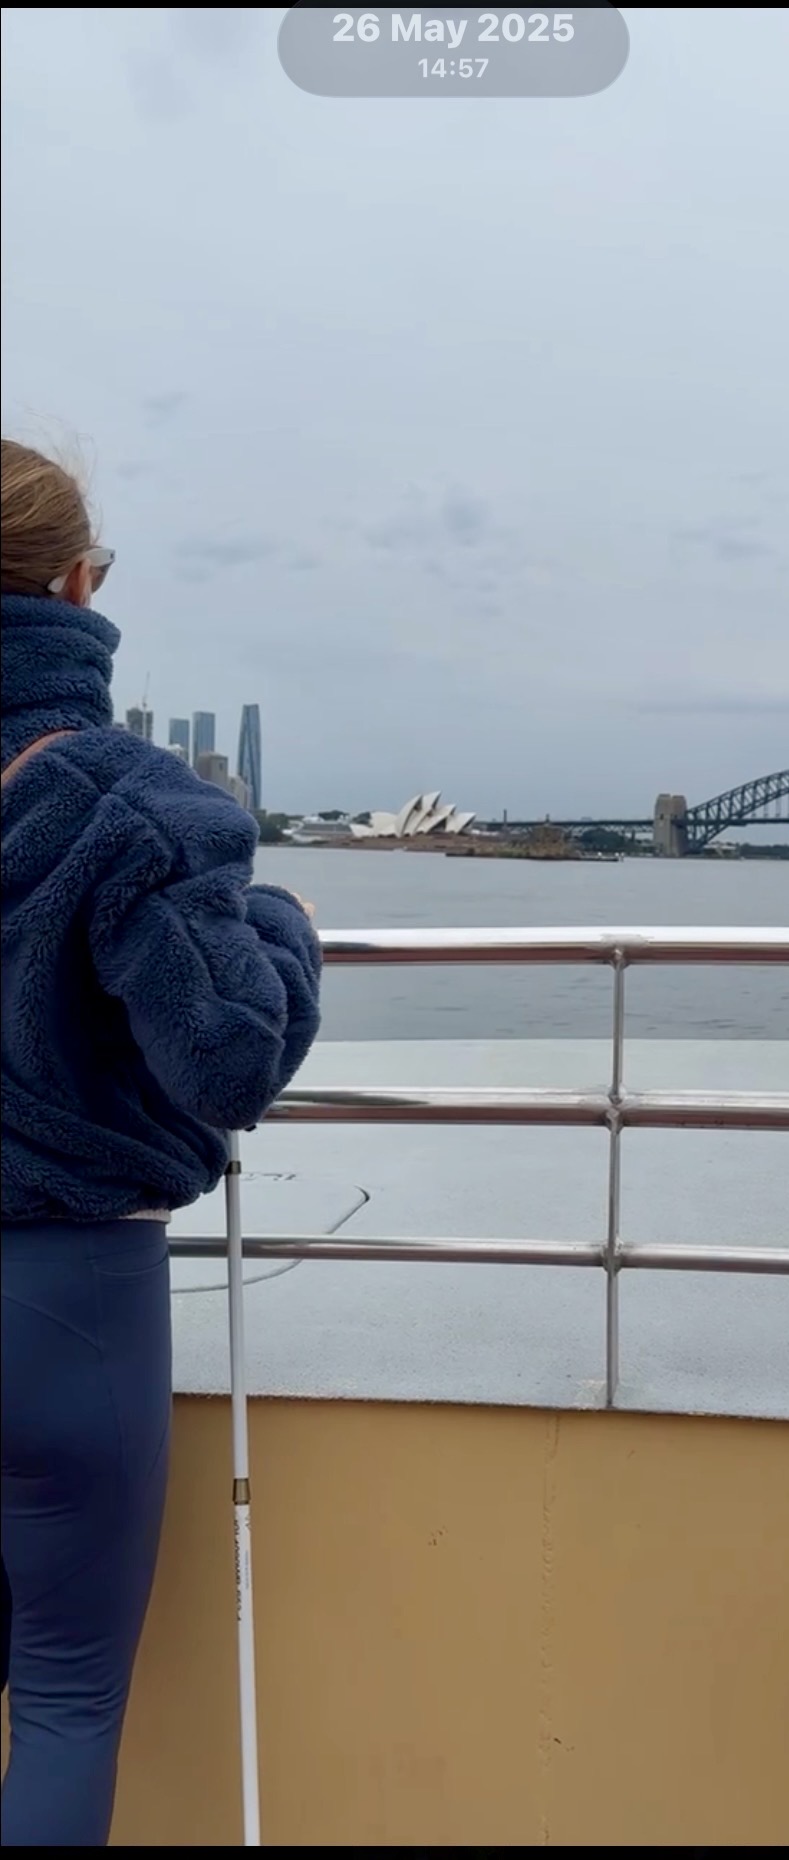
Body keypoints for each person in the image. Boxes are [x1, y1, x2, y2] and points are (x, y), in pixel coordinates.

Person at [0, 437, 322, 1846]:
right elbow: (230, 1056)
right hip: (66, 1296)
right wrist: (282, 929)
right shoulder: (128, 803)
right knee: (66, 1694)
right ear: (78, 585)